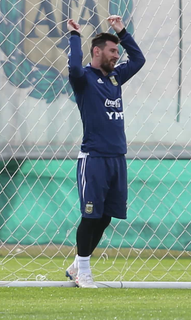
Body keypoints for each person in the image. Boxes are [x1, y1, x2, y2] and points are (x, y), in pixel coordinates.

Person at [64, 15, 146, 289]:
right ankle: (83, 272)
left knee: (106, 216)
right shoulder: (84, 79)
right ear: (97, 51)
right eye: (113, 51)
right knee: (90, 215)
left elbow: (138, 60)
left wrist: (121, 31)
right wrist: (75, 37)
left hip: (116, 158)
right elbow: (74, 67)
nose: (117, 56)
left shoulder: (115, 77)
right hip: (94, 159)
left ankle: (79, 261)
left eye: (118, 51)